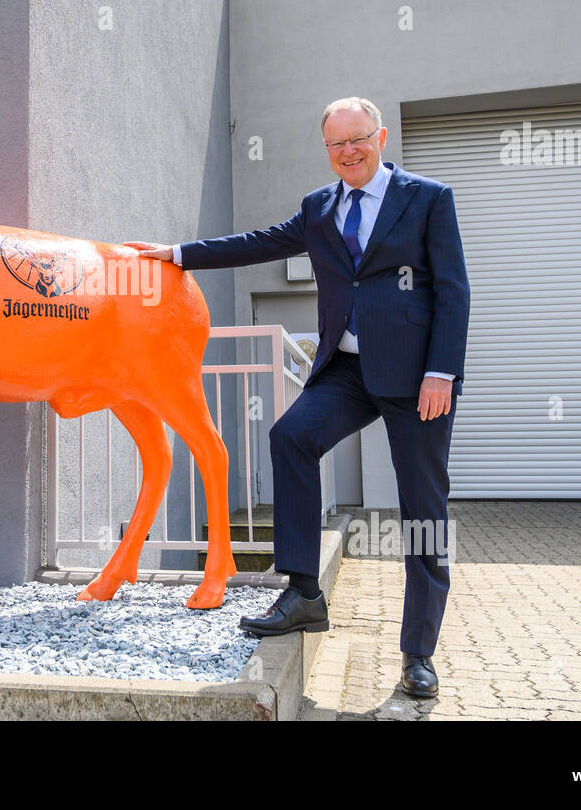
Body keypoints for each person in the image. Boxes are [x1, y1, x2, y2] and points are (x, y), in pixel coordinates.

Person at [128, 97, 469, 698]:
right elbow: (260, 242)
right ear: (327, 150)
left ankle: (418, 653)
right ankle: (304, 593)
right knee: (290, 436)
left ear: (380, 136)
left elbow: (454, 290)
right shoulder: (319, 208)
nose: (349, 153)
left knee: (422, 513)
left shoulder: (426, 199)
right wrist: (179, 256)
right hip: (347, 367)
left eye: (357, 140)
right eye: (336, 145)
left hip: (416, 377)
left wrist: (441, 370)